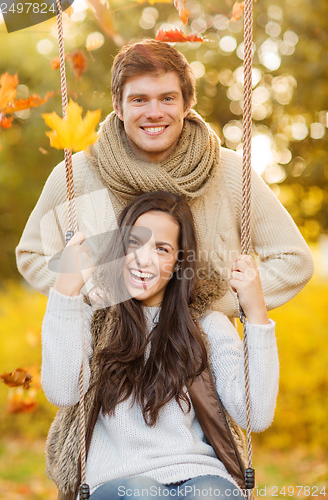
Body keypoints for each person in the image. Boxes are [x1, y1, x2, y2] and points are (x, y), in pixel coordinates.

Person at [16, 39, 314, 317]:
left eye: (167, 98)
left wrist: (216, 305)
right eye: (139, 100)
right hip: (105, 360)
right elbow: (33, 254)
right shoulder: (77, 174)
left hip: (207, 360)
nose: (154, 112)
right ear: (118, 107)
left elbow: (294, 260)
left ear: (187, 105)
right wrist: (95, 295)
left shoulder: (231, 171)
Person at [41, 191, 279, 499]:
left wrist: (257, 314)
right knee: (141, 494)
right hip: (118, 481)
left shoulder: (205, 327)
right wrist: (66, 291)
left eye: (162, 249)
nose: (144, 259)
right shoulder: (93, 319)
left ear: (179, 262)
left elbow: (255, 416)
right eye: (134, 243)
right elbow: (62, 391)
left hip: (200, 474)